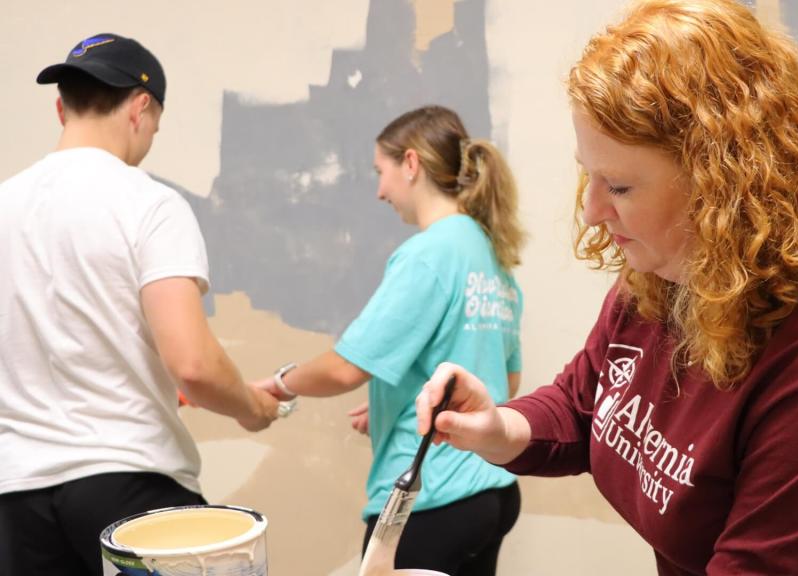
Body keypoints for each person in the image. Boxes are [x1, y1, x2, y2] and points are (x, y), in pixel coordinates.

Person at [414, 1, 798, 575]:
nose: (593, 210)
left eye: (620, 187)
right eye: (588, 176)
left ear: (725, 183)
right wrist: (498, 428)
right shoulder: (663, 278)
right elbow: (585, 402)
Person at [0, 33, 280, 576]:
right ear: (141, 107)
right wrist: (251, 406)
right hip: (127, 484)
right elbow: (194, 366)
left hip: (15, 497)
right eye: (154, 125)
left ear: (62, 106)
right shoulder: (147, 202)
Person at [256, 105, 523, 575]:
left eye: (382, 172)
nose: (380, 190)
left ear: (412, 164)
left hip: (430, 500)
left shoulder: (428, 254)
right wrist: (393, 404)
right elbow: (506, 381)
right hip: (492, 495)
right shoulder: (491, 255)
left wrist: (281, 383)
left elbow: (346, 367)